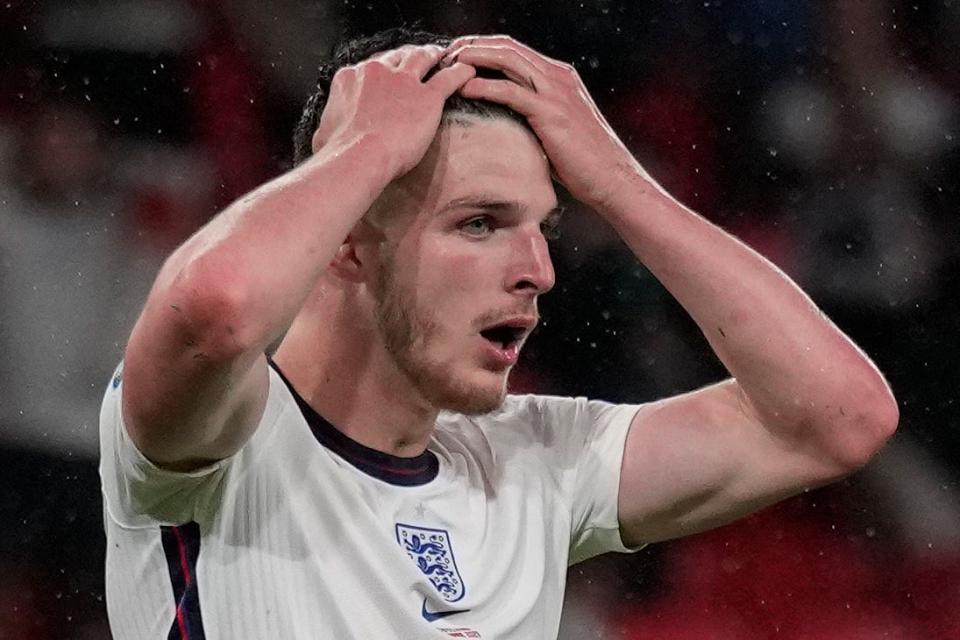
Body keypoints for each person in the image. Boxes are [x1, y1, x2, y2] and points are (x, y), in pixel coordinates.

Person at [98, 28, 898, 640]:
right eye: (479, 223)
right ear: (344, 241)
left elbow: (838, 419)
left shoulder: (537, 463)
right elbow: (218, 310)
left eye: (544, 227)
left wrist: (620, 186)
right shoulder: (225, 442)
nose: (538, 270)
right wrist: (368, 149)